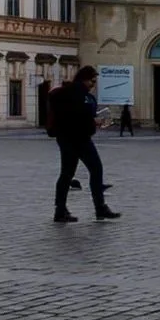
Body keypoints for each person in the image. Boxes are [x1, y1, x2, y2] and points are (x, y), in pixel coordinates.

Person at [49, 66, 120, 223]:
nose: (93, 84)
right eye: (92, 81)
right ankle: (99, 208)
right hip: (78, 139)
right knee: (95, 169)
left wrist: (91, 121)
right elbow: (76, 116)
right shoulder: (77, 93)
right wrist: (93, 121)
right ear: (85, 79)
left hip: (68, 138)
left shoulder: (72, 92)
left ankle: (60, 210)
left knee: (67, 174)